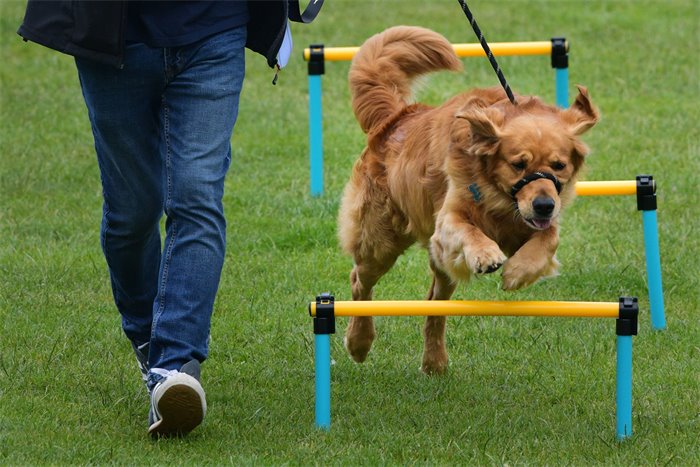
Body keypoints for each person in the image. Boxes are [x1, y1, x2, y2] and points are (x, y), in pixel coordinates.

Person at [17, 0, 322, 438]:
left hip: (215, 29)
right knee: (133, 213)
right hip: (114, 34)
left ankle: (173, 364)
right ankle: (148, 340)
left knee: (197, 197)